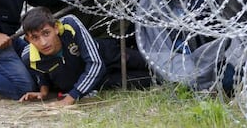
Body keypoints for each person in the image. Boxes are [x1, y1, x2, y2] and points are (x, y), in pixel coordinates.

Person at [18, 6, 153, 106]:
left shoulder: (70, 25)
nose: (43, 42)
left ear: (56, 28)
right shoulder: (28, 57)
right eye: (35, 38)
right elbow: (41, 72)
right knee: (150, 79)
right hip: (99, 81)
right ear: (28, 40)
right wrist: (43, 91)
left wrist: (70, 98)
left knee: (153, 63)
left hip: (109, 56)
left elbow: (96, 63)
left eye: (46, 33)